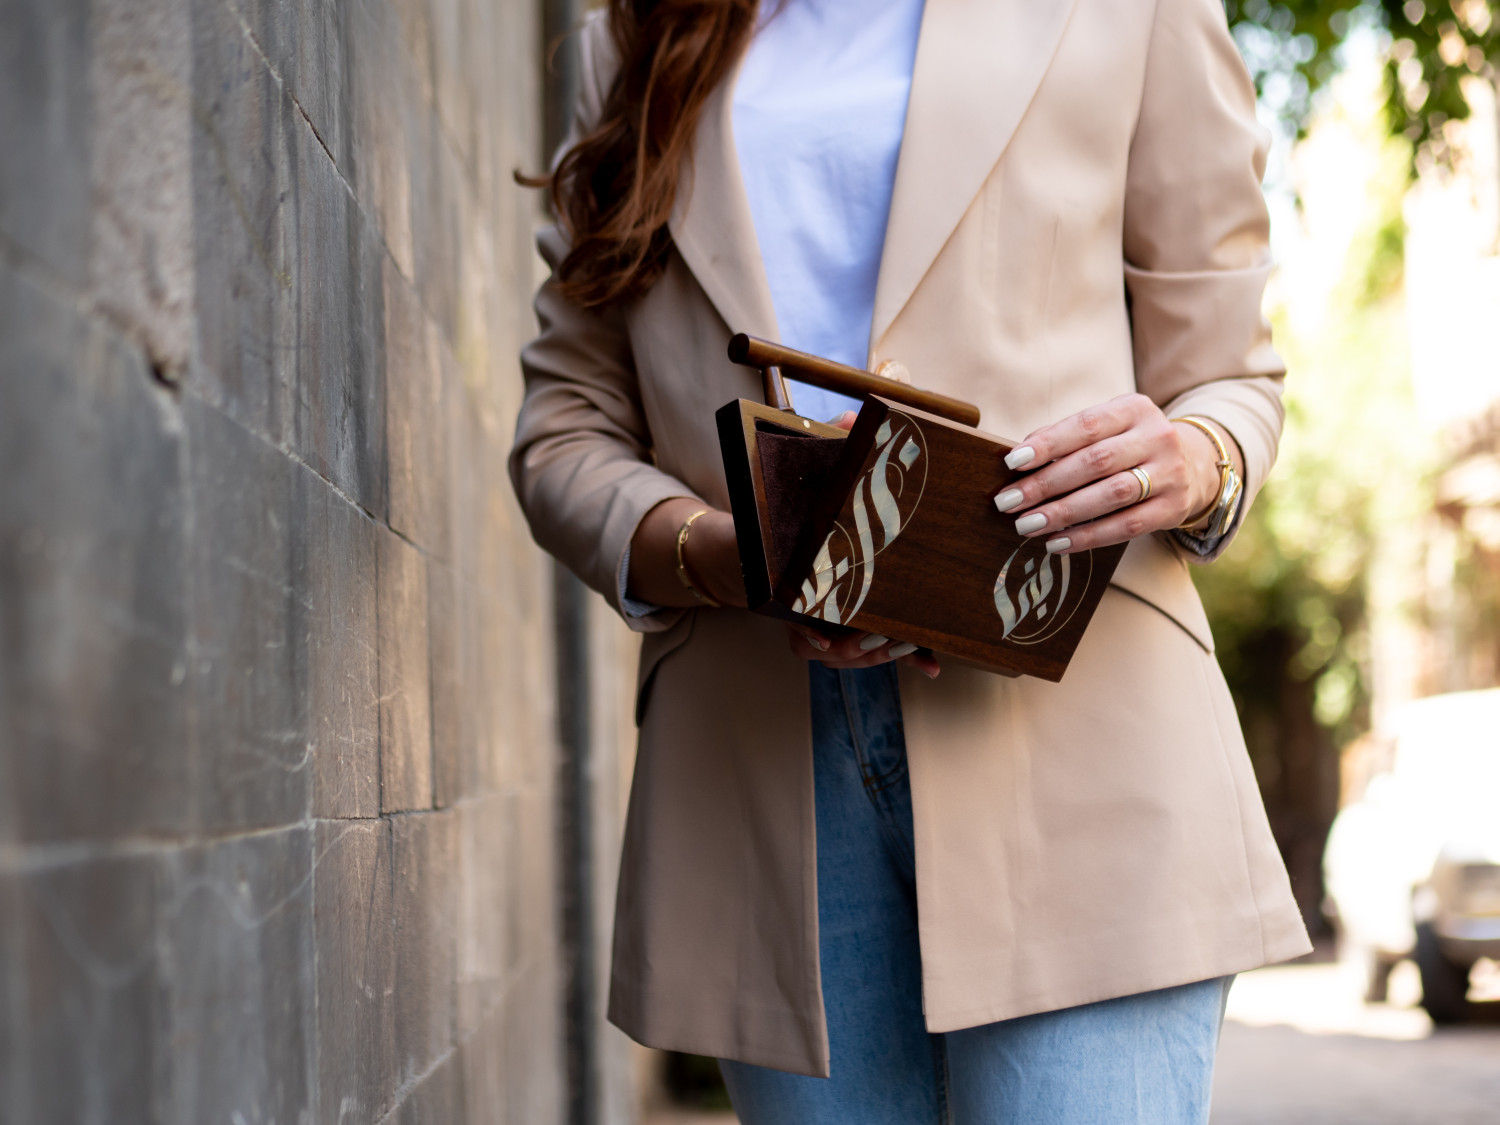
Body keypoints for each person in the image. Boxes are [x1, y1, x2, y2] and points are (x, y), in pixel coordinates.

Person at [512, 0, 1311, 1120]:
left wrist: (1197, 456)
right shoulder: (633, 35)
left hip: (1081, 735)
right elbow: (567, 430)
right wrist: (727, 553)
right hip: (758, 764)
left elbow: (1231, 375)